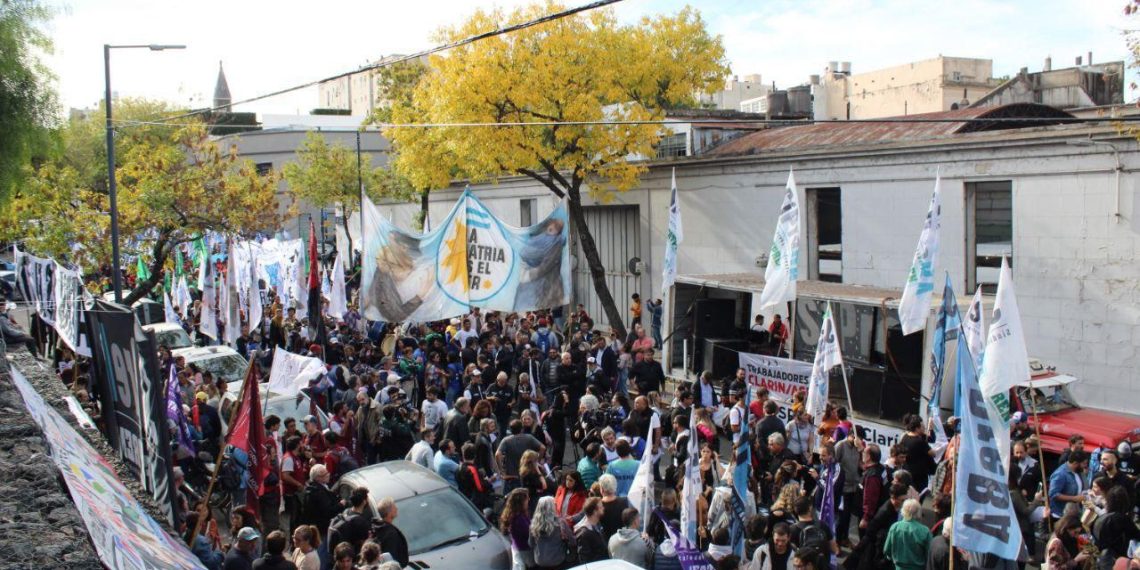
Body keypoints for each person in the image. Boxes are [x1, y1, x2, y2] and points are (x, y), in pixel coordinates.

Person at [851, 482, 908, 570]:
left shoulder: (894, 507)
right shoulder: (885, 512)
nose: (904, 502)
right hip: (876, 547)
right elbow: (871, 530)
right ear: (893, 498)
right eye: (902, 500)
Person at [1093, 486, 1140, 564]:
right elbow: (1136, 535)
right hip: (1117, 558)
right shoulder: (1122, 519)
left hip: (1101, 558)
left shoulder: (1101, 518)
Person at [498, 419, 546, 495]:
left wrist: (501, 470)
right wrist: (536, 462)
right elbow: (543, 448)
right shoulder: (529, 438)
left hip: (511, 476)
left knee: (508, 500)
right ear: (522, 428)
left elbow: (497, 454)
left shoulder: (506, 440)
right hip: (526, 475)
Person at [530, 496, 575, 570]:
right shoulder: (560, 523)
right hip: (557, 561)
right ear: (552, 508)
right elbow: (573, 541)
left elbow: (531, 544)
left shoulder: (533, 524)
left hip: (540, 561)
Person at [883, 499, 930, 570]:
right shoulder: (925, 531)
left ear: (903, 511)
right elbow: (929, 553)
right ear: (918, 512)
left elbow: (886, 550)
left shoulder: (894, 527)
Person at [327, 487, 371, 556]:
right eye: (367, 498)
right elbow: (364, 546)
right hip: (351, 558)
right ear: (364, 501)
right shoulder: (361, 522)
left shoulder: (346, 511)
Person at [368, 497, 409, 568]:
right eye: (394, 507)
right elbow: (390, 561)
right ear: (389, 513)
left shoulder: (377, 527)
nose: (397, 508)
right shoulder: (390, 533)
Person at [301, 465, 340, 537]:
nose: (328, 475)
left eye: (327, 472)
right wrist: (340, 505)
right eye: (325, 474)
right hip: (322, 529)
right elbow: (328, 511)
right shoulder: (317, 492)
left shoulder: (316, 488)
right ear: (317, 478)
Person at [1049, 450, 1089, 520]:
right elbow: (1053, 494)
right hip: (1061, 515)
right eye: (1084, 463)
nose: (1085, 466)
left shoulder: (1078, 471)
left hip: (1075, 513)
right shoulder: (1060, 474)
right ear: (1075, 463)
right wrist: (1074, 498)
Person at [501, 488, 534, 570]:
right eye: (527, 498)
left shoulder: (515, 514)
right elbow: (529, 533)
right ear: (521, 501)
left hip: (518, 549)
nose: (529, 500)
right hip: (523, 551)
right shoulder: (518, 518)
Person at [574, 497, 609, 563]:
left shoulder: (597, 524)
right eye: (601, 507)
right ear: (594, 511)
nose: (603, 508)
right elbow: (585, 560)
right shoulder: (584, 534)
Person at [597, 474, 631, 540]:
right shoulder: (624, 501)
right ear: (615, 486)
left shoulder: (597, 505)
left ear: (602, 489)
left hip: (605, 542)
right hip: (623, 539)